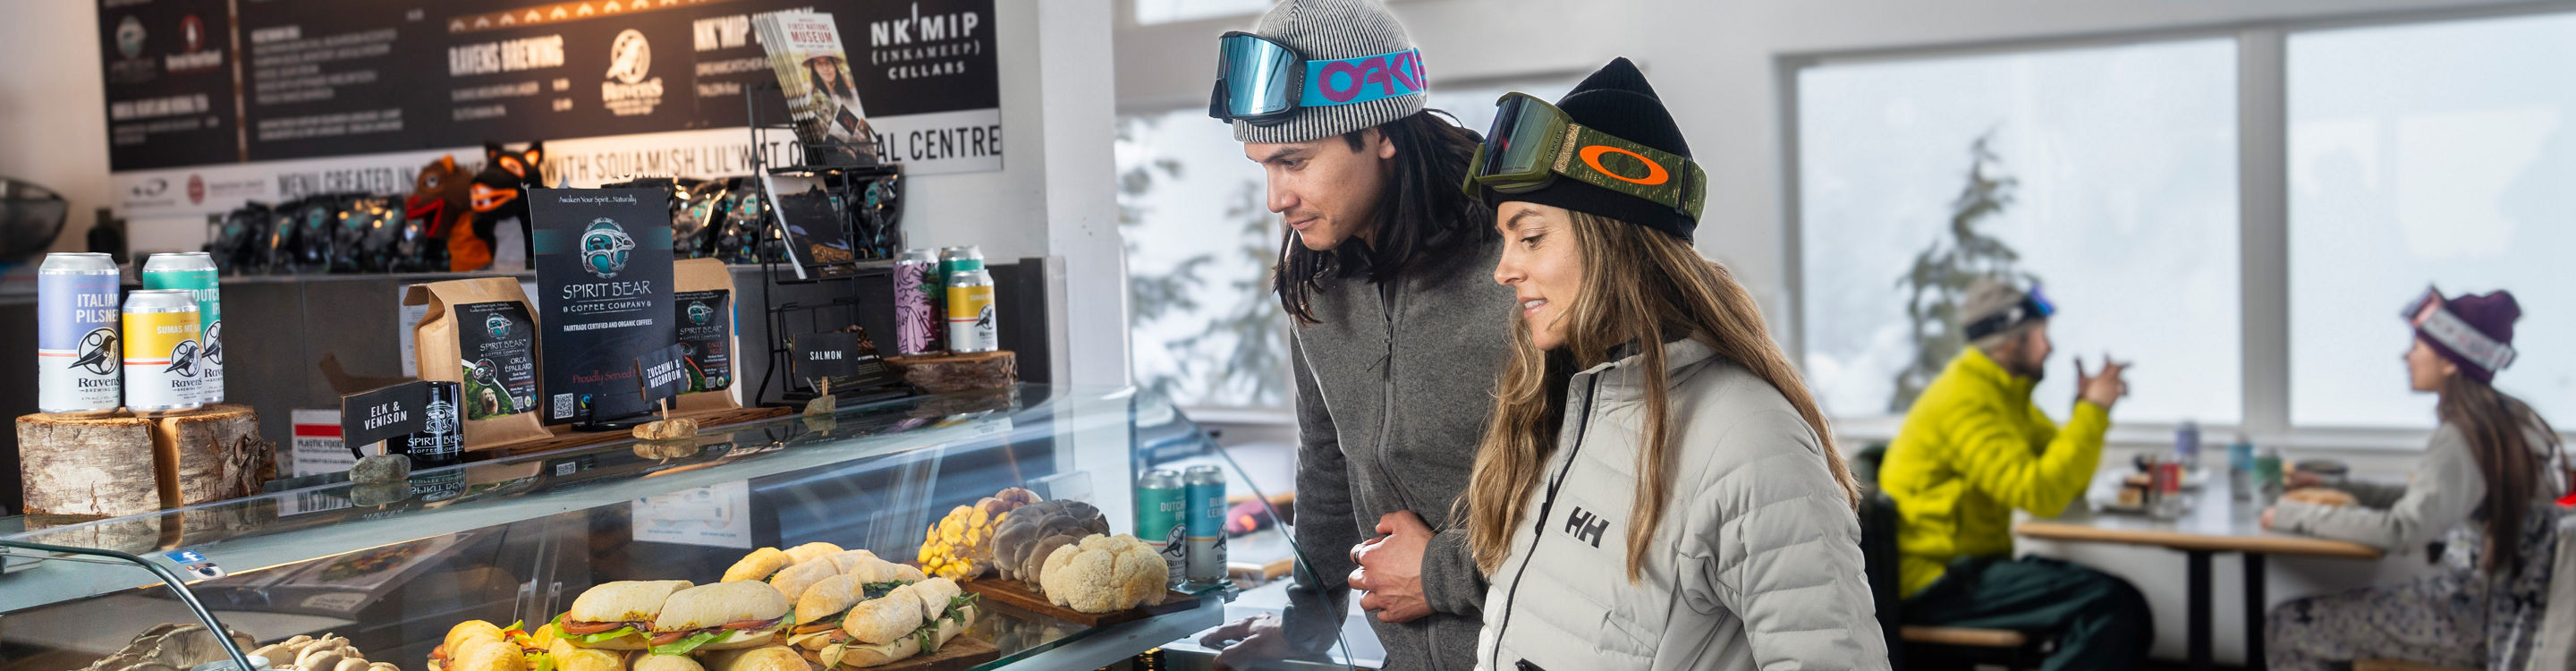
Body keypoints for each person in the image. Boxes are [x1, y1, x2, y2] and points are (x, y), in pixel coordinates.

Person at [1459, 58, 1888, 671]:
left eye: (1530, 237)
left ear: (1613, 240)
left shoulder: (1750, 438)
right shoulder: (1573, 408)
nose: (1503, 269)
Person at [1191, 1, 1510, 668]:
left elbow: (1606, 506)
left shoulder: (1520, 266)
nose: (1276, 197)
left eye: (1295, 160)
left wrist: (1442, 573)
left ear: (1382, 130)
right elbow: (1328, 464)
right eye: (1264, 167)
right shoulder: (1316, 280)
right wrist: (1308, 630)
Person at [2264, 287, 2568, 670]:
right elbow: (2426, 498)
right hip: (2516, 617)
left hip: (2471, 618)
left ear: (2450, 363)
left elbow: (2403, 530)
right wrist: (2334, 489)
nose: (2406, 356)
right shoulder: (2511, 419)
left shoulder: (2462, 435)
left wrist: (2291, 515)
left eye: (2418, 346)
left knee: (2289, 627)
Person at [1877, 278, 2152, 671]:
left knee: (2113, 604)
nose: (2050, 346)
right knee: (2112, 606)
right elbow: (2041, 495)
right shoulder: (1967, 400)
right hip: (1937, 580)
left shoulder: (2006, 392)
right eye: (2041, 334)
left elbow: (2066, 480)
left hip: (1968, 566)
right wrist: (2091, 413)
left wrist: (2085, 413)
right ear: (2008, 340)